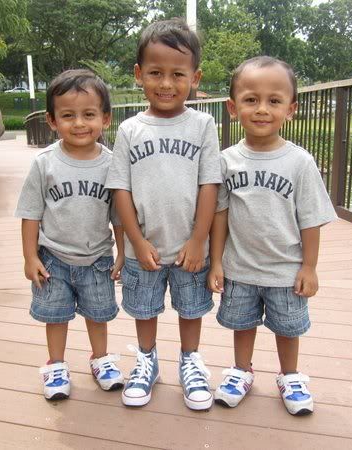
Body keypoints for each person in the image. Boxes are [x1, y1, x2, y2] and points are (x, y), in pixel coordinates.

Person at [207, 56, 337, 415]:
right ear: (233, 108)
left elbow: (311, 220)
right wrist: (216, 262)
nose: (262, 109)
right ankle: (241, 370)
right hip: (240, 267)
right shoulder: (226, 161)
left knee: (287, 327)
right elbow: (220, 215)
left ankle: (290, 376)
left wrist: (309, 267)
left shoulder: (299, 162)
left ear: (290, 109)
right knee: (242, 323)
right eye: (251, 99)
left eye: (274, 101)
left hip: (285, 269)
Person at [105, 19, 222, 410]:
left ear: (195, 78)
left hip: (189, 246)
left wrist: (199, 239)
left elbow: (209, 185)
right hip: (145, 247)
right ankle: (147, 360)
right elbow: (120, 189)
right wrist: (136, 242)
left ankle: (190, 361)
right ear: (139, 74)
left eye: (178, 74)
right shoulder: (129, 130)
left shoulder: (203, 125)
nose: (166, 83)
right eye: (155, 73)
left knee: (191, 308)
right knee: (144, 308)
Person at [15, 69, 125, 401]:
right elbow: (31, 213)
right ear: (52, 120)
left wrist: (123, 253)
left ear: (105, 118)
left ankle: (101, 359)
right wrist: (30, 257)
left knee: (98, 314)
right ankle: (56, 365)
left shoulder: (112, 164)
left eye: (89, 114)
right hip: (53, 259)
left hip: (97, 258)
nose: (79, 123)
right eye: (68, 116)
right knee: (56, 316)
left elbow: (118, 215)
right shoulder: (44, 163)